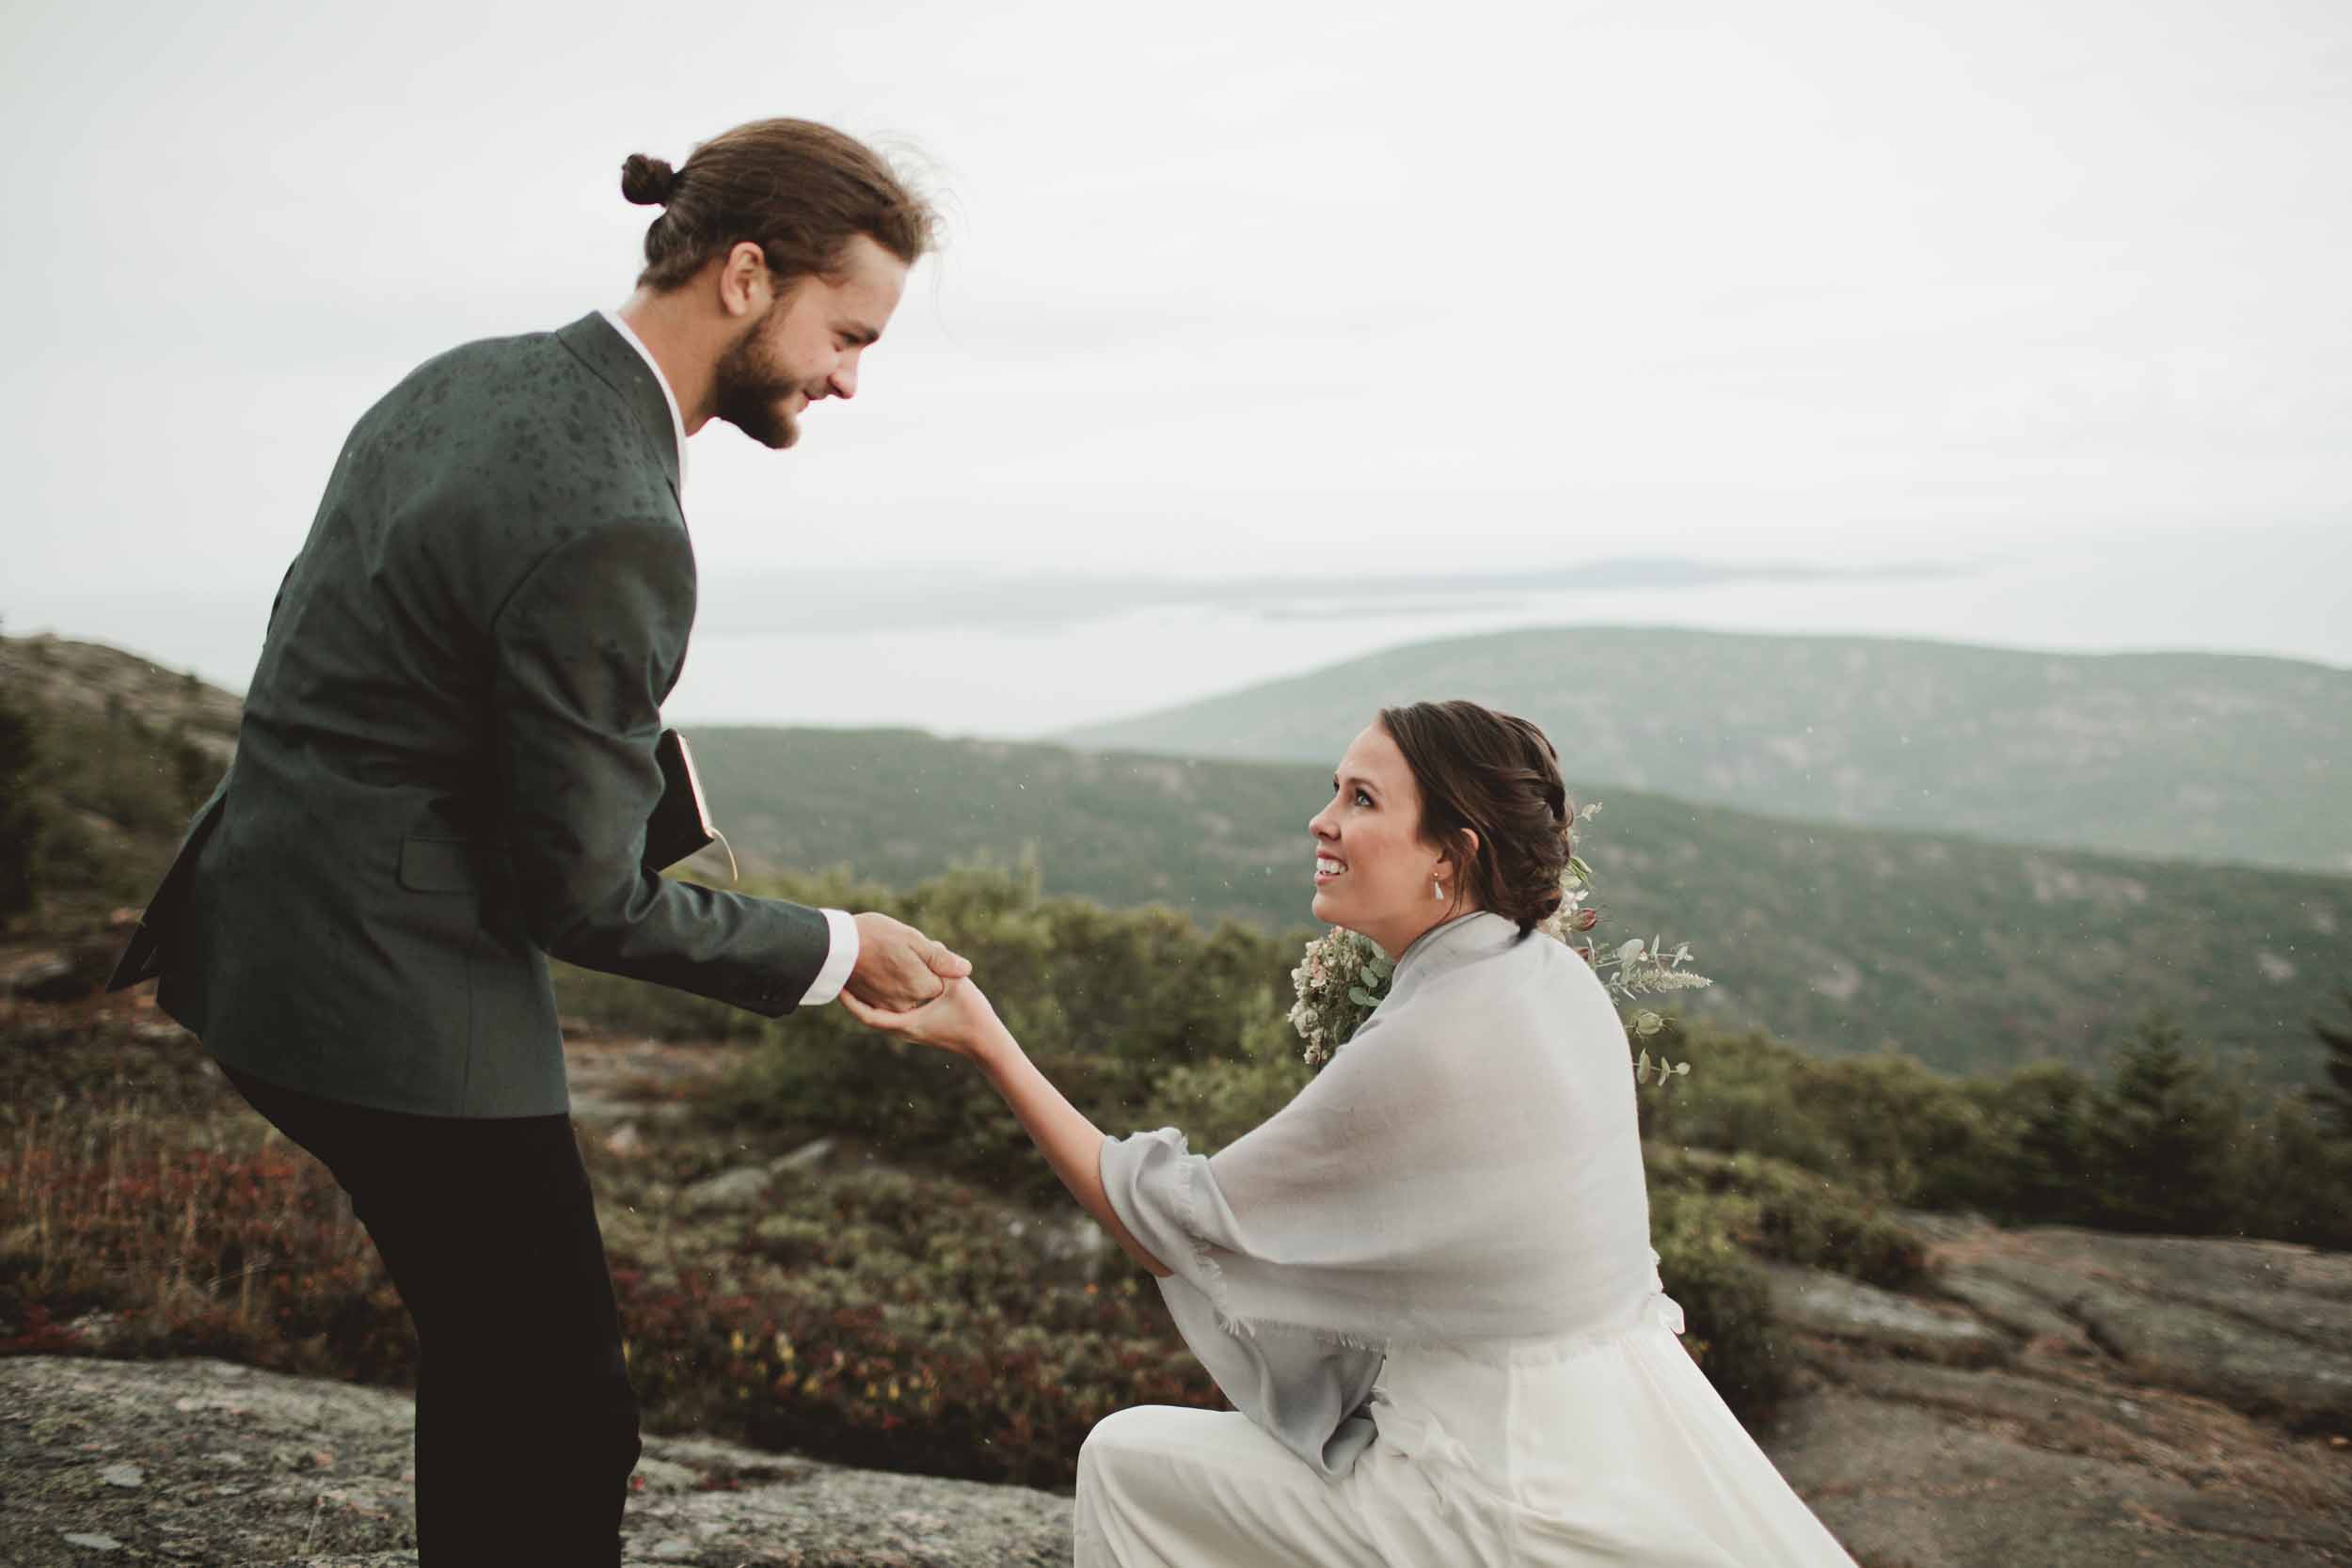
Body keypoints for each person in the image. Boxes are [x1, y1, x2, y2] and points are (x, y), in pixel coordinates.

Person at [103, 119, 967, 1567]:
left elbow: (360, 661)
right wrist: (837, 949)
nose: (849, 377)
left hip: (255, 932)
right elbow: (582, 899)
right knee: (562, 1407)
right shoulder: (615, 513)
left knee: (503, 1363)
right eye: (848, 330)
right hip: (392, 1001)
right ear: (747, 274)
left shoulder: (467, 379)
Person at [844, 700, 1859, 1566]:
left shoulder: (1435, 1031)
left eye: (1362, 799)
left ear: (1450, 857)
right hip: (1612, 1427)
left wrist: (988, 1040)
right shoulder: (1546, 977)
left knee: (1124, 1456)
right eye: (1336, 789)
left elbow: (1171, 1222)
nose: (1321, 819)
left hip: (1489, 1477)